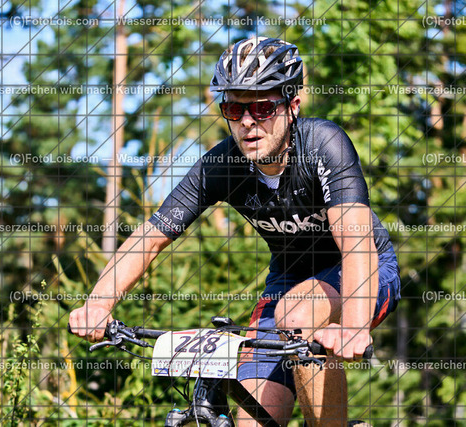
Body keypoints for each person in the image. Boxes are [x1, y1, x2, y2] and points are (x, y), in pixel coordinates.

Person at [69, 37, 401, 426]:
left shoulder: (324, 144)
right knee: (252, 420)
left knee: (297, 313)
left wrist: (354, 328)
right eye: (233, 108)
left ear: (293, 105)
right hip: (288, 281)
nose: (247, 122)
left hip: (365, 272)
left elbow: (357, 244)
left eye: (262, 107)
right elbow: (152, 236)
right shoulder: (222, 164)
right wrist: (98, 304)